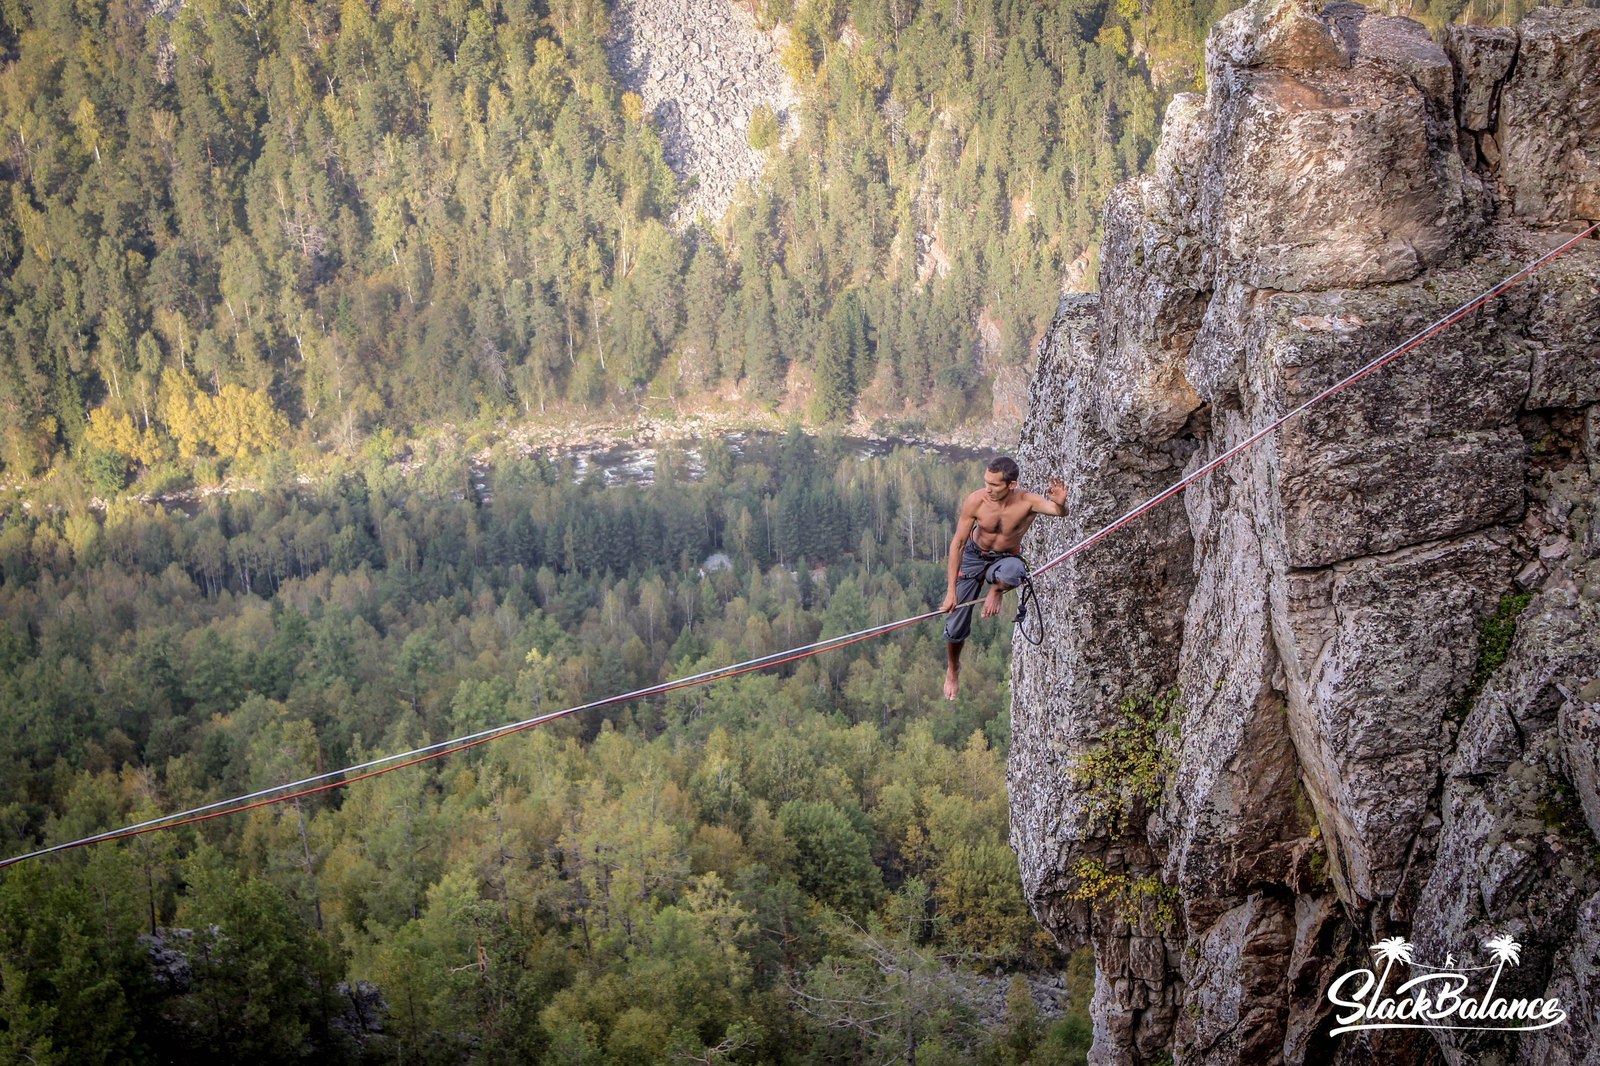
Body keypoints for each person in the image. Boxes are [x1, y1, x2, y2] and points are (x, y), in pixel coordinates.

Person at [941, 457, 1067, 700]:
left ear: (1011, 485)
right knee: (955, 624)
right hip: (974, 556)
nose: (988, 489)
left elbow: (1058, 512)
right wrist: (951, 590)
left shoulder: (1027, 502)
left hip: (1005, 558)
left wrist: (1060, 504)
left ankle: (995, 588)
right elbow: (957, 543)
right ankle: (953, 668)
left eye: (994, 485)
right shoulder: (976, 501)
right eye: (986, 482)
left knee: (1014, 572)